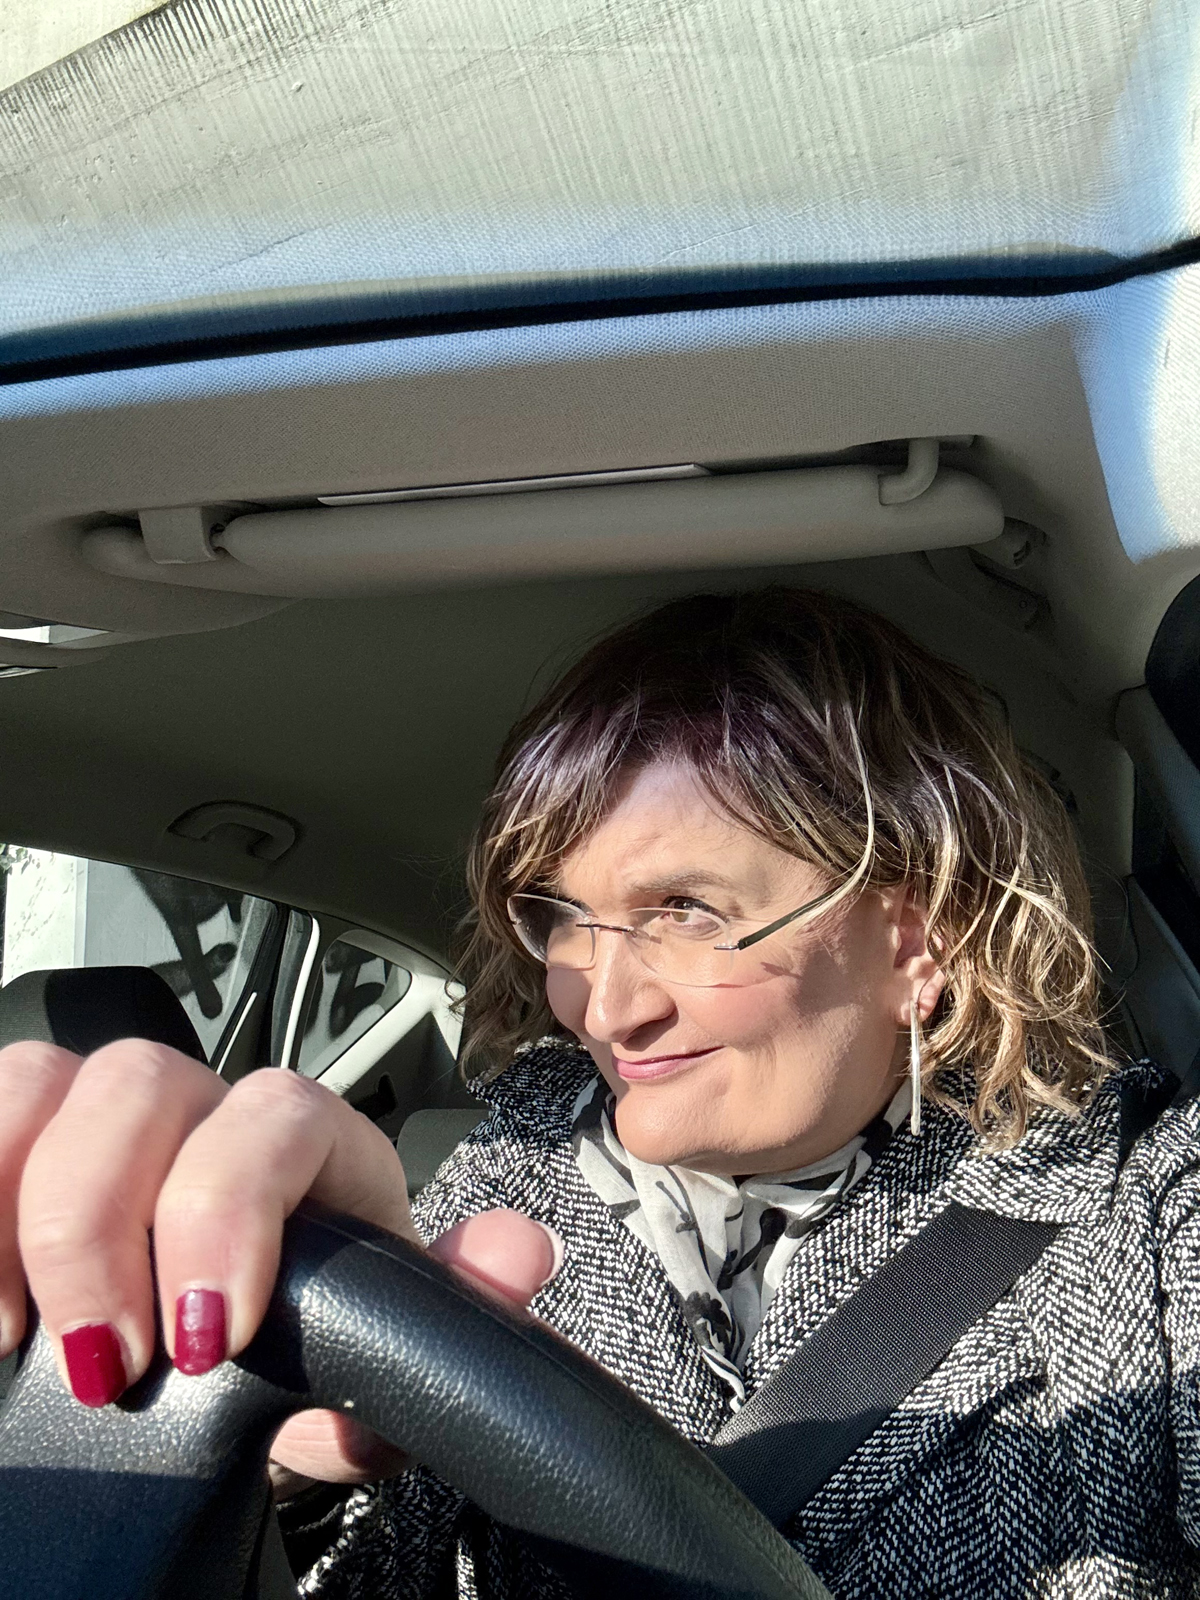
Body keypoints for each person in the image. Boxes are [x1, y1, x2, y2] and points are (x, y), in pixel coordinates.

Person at [1, 586, 1197, 1599]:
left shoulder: (1142, 1213)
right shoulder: (495, 1192)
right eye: (564, 917)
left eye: (687, 909)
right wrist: (258, 1459)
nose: (603, 1006)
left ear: (916, 936)